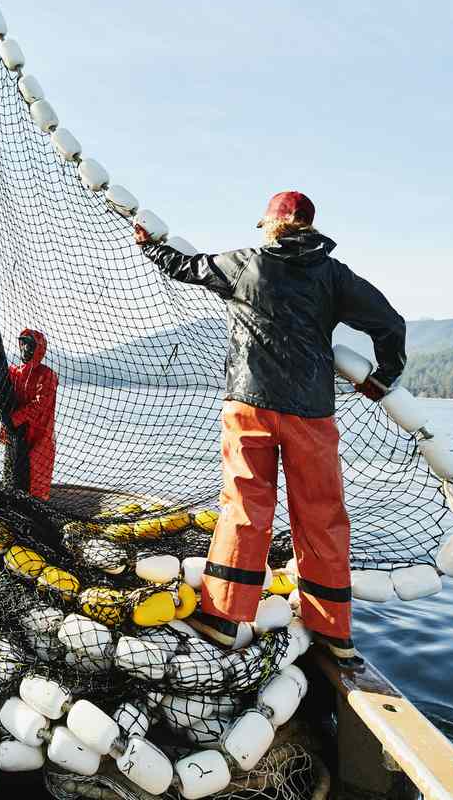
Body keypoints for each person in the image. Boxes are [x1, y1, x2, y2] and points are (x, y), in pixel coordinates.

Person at [135, 191, 405, 664]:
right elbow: (389, 322)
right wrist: (384, 374)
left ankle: (223, 617)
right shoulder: (334, 276)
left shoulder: (246, 265)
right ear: (310, 228)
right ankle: (334, 631)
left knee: (245, 507)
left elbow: (187, 267)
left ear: (269, 224)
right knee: (321, 514)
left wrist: (150, 246)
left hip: (250, 407)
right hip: (312, 414)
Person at [0, 328, 58, 500]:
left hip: (38, 438)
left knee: (34, 483)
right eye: (23, 343)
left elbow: (40, 404)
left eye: (30, 345)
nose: (26, 349)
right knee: (11, 476)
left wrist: (14, 419)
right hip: (15, 437)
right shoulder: (14, 372)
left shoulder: (46, 375)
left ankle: (34, 515)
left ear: (39, 350)